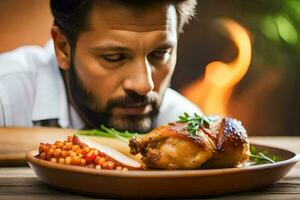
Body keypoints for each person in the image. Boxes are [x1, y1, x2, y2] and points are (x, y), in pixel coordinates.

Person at [0, 0, 200, 133]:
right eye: (114, 57)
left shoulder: (188, 125)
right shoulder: (6, 100)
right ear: (63, 48)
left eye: (160, 54)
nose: (143, 85)